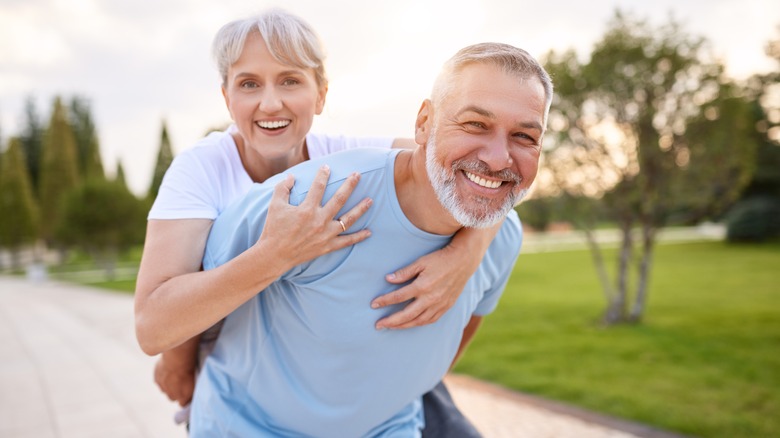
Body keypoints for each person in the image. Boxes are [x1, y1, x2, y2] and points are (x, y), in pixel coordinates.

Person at [134, 9, 501, 435]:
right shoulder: (200, 171)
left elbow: (471, 173)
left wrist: (466, 253)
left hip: (356, 372)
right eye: (249, 84)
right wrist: (276, 255)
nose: (270, 103)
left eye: (290, 80)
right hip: (251, 383)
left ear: (321, 94)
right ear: (226, 97)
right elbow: (152, 327)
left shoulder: (348, 155)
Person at [187, 41, 553, 437]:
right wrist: (176, 369)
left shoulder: (500, 237)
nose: (499, 158)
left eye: (524, 136)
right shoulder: (306, 200)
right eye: (475, 125)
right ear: (424, 122)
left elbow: (437, 360)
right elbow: (183, 302)